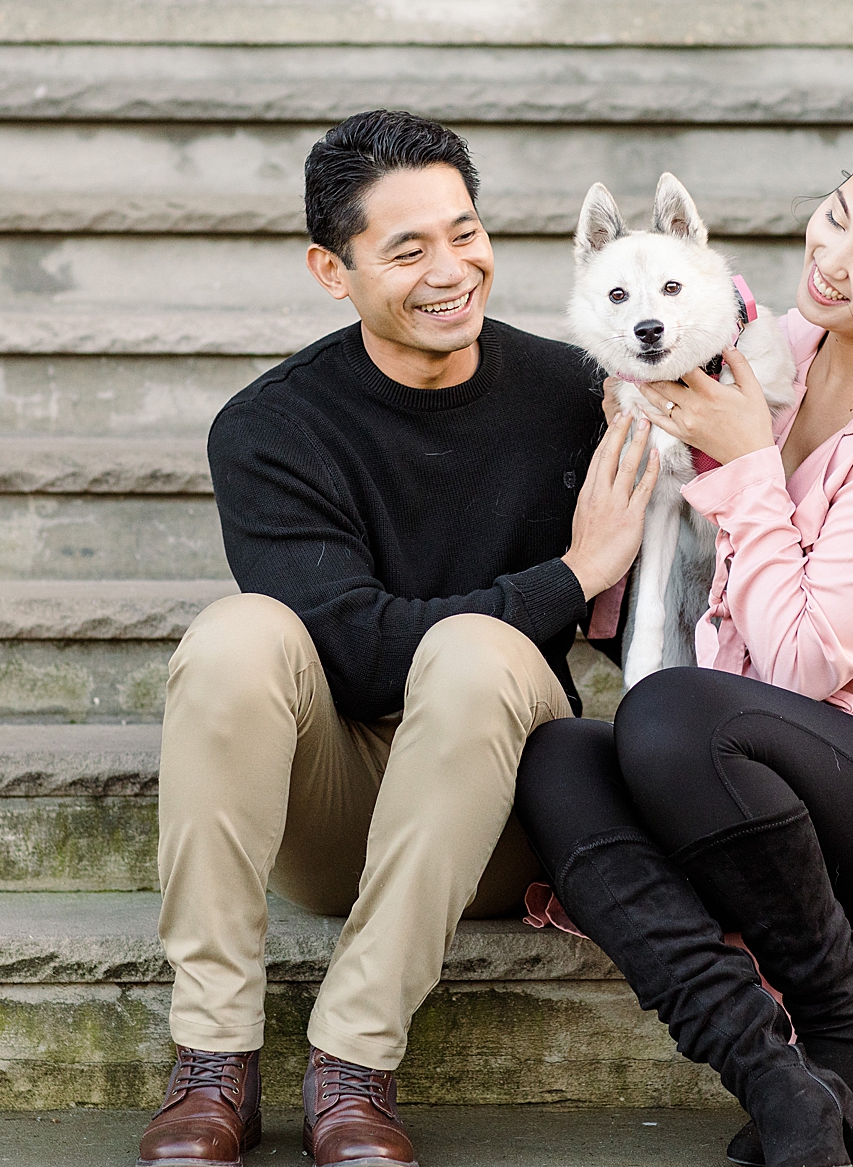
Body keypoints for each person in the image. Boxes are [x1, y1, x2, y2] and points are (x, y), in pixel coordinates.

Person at [514, 120, 853, 1166]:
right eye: (836, 217)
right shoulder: (781, 353)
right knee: (556, 752)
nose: (832, 261)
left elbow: (807, 660)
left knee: (669, 720)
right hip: (753, 750)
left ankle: (850, 1031)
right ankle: (775, 1074)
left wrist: (750, 463)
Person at [137, 109, 661, 1167]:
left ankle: (352, 1067)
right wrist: (571, 575)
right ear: (334, 271)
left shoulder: (579, 394)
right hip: (334, 815)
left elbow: (668, 618)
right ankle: (211, 1060)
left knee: (475, 657)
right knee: (236, 636)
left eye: (465, 232)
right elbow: (358, 651)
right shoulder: (272, 427)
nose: (450, 270)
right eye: (406, 247)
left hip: (509, 807)